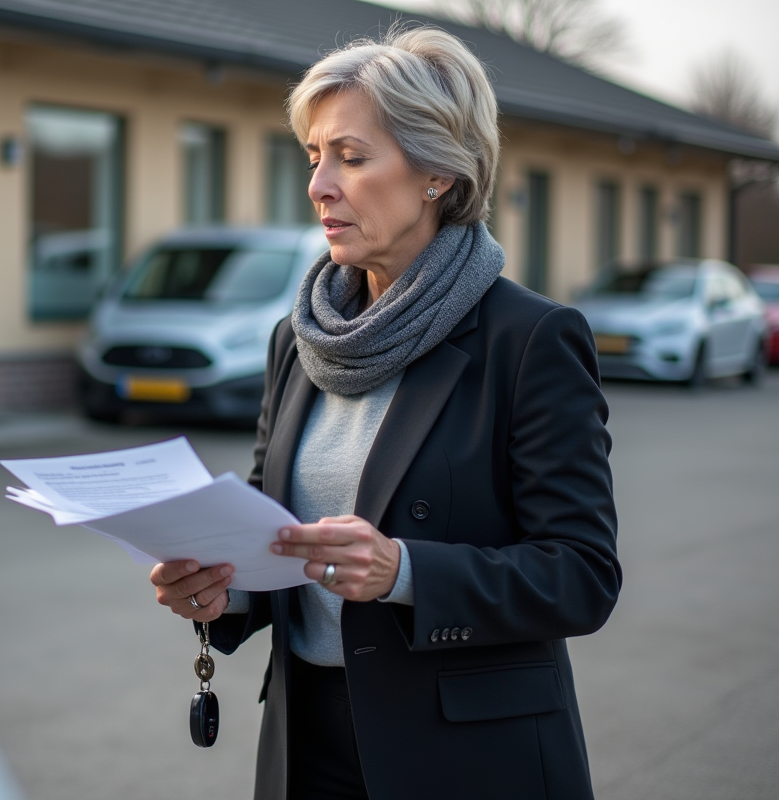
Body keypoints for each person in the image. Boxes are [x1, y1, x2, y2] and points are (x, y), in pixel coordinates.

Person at [149, 25, 621, 800]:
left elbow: (582, 575)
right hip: (309, 743)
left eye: (352, 157)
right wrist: (222, 589)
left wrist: (405, 571)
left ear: (437, 172)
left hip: (466, 757)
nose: (319, 185)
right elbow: (281, 537)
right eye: (313, 157)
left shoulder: (531, 338)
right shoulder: (297, 339)